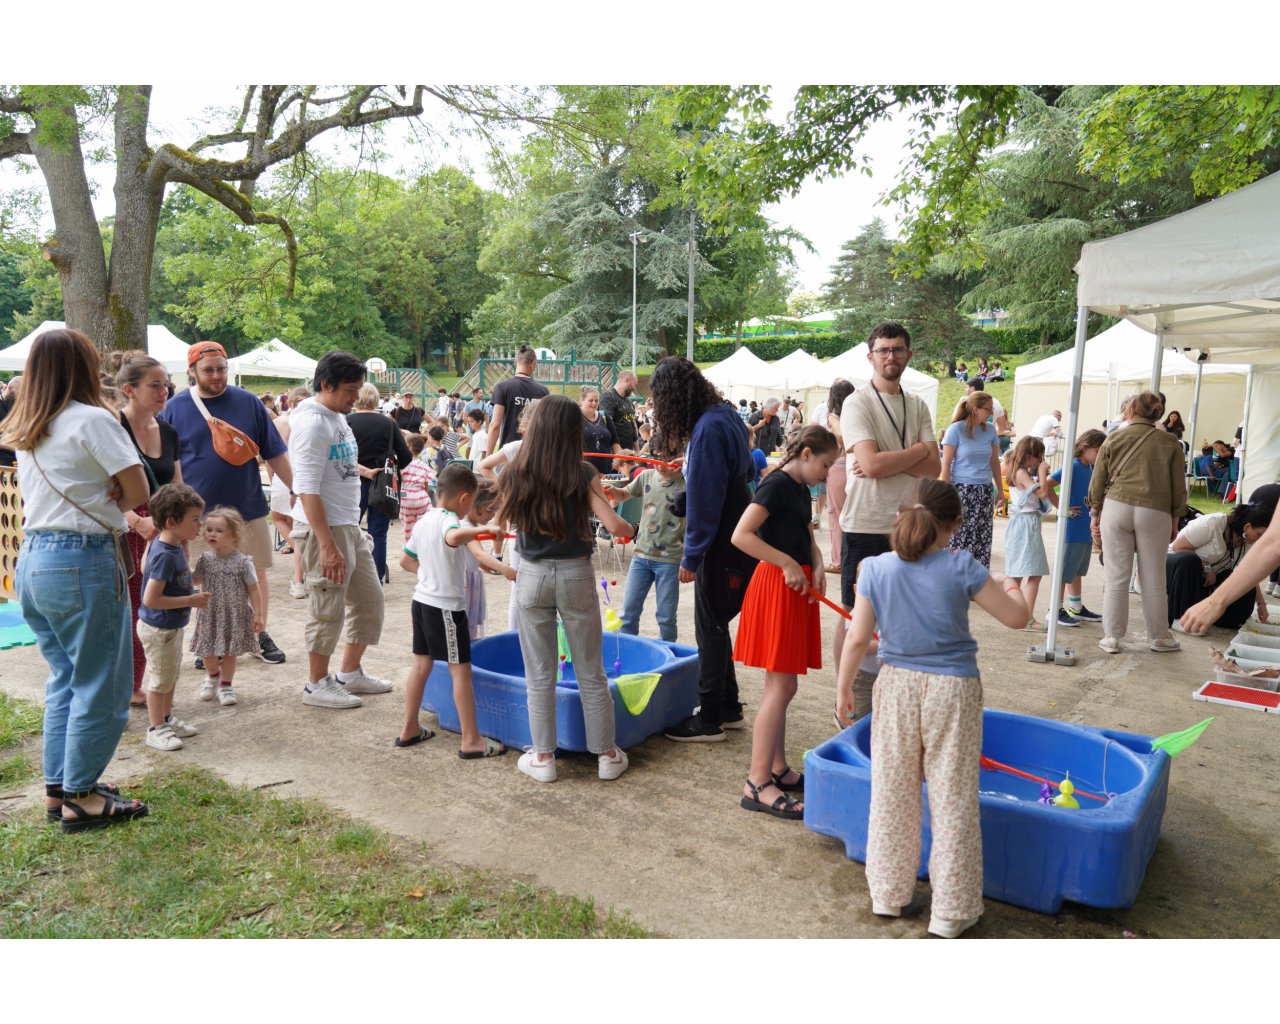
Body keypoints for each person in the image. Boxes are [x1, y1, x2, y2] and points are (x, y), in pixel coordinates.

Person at [836, 478, 1030, 938]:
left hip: (896, 688)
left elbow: (857, 639)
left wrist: (843, 688)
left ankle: (887, 894)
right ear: (955, 524)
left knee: (892, 792)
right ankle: (951, 910)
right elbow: (1017, 618)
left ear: (899, 515)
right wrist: (1013, 584)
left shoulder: (873, 568)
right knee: (953, 797)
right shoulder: (964, 567)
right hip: (953, 691)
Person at [6, 327, 150, 832]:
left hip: (33, 559)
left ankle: (60, 788)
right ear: (86, 366)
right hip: (82, 558)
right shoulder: (92, 418)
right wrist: (111, 490)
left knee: (65, 679)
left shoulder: (29, 424)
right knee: (101, 684)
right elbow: (137, 491)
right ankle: (82, 796)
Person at [495, 395, 635, 783]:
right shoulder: (583, 472)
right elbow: (614, 525)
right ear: (574, 431)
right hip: (575, 574)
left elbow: (499, 513)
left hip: (531, 575)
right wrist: (633, 527)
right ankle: (606, 756)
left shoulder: (517, 470)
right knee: (590, 670)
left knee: (539, 673)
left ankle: (543, 758)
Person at [159, 341, 291, 665]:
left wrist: (296, 489)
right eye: (209, 370)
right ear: (192, 372)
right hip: (198, 515)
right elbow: (165, 463)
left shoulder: (249, 403)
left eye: (221, 369)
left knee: (255, 573)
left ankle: (258, 634)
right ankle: (212, 640)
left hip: (247, 506)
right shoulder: (174, 408)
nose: (217, 376)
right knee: (208, 577)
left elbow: (274, 451)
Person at [731, 425, 838, 821]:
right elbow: (741, 536)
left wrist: (816, 560)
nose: (826, 474)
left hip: (794, 586)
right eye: (825, 465)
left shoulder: (799, 487)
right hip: (777, 586)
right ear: (806, 453)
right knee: (782, 686)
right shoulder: (775, 485)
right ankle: (758, 782)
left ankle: (776, 767)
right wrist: (788, 563)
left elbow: (805, 532)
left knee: (780, 686)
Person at [650, 358, 756, 742]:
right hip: (735, 533)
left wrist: (691, 556)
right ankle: (728, 707)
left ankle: (709, 718)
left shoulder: (709, 428)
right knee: (716, 624)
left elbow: (709, 498)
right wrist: (690, 473)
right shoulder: (723, 416)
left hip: (723, 543)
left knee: (709, 628)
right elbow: (733, 475)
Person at [290, 351, 392, 709]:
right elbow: (307, 488)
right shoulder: (312, 423)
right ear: (326, 385)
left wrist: (363, 473)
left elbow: (338, 465)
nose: (356, 396)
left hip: (348, 524)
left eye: (358, 388)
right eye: (350, 389)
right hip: (326, 529)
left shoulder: (337, 417)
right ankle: (316, 684)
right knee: (327, 606)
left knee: (369, 600)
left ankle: (349, 673)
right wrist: (328, 545)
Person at [838, 322, 939, 669]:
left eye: (897, 349)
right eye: (883, 350)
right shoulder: (857, 402)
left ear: (908, 355)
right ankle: (844, 689)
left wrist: (886, 460)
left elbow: (934, 467)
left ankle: (891, 680)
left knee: (903, 610)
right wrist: (917, 451)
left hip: (908, 524)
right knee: (853, 613)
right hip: (865, 522)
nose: (890, 356)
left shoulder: (917, 405)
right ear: (871, 357)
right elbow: (870, 464)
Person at [398, 463, 507, 759]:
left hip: (421, 602)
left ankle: (409, 728)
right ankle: (471, 741)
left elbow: (406, 561)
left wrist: (429, 574)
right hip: (445, 608)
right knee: (461, 672)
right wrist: (485, 529)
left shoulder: (424, 520)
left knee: (420, 666)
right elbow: (453, 538)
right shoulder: (450, 521)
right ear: (464, 498)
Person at [1087, 390, 1187, 654]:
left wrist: (1095, 512)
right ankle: (1159, 637)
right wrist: (1175, 520)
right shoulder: (1171, 443)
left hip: (1116, 507)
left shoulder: (1114, 437)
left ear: (1131, 410)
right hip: (1155, 511)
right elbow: (1179, 487)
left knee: (1116, 575)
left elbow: (1098, 479)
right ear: (1159, 413)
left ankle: (1112, 637)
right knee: (1153, 577)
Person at [116, 352, 184, 707]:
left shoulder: (168, 430)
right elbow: (103, 486)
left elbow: (177, 485)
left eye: (166, 384)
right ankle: (127, 684)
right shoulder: (113, 426)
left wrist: (180, 528)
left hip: (163, 530)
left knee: (156, 607)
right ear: (129, 389)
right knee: (130, 609)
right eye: (155, 385)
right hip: (125, 529)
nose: (164, 391)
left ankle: (143, 682)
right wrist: (135, 520)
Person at [137, 483, 209, 751]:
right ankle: (155, 728)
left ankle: (166, 719)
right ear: (171, 522)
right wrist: (190, 600)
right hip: (159, 629)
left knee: (170, 676)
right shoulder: (166, 554)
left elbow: (150, 570)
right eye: (195, 520)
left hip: (170, 627)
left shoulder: (171, 544)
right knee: (160, 681)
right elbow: (151, 599)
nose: (200, 526)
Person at [185, 505, 261, 705]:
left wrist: (259, 614)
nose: (212, 534)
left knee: (229, 651)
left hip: (233, 614)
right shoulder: (205, 560)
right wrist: (182, 565)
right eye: (209, 529)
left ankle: (226, 685)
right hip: (209, 613)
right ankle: (212, 676)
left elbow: (254, 589)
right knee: (207, 650)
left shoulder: (243, 562)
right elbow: (195, 580)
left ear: (234, 535)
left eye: (219, 530)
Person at [605, 459, 686, 643]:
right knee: (628, 612)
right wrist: (613, 491)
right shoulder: (646, 476)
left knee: (666, 617)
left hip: (670, 560)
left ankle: (667, 650)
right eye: (656, 459)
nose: (660, 466)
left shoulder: (688, 481)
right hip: (640, 556)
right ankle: (627, 649)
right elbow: (623, 494)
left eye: (667, 461)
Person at [1167, 504, 1271, 632]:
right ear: (1247, 527)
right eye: (1259, 534)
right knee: (1190, 560)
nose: (1260, 539)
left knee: (1244, 584)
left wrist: (1261, 604)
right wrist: (1206, 566)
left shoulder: (1247, 541)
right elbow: (1178, 547)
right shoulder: (1213, 523)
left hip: (1206, 578)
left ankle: (1219, 619)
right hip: (1177, 569)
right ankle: (1179, 618)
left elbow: (1251, 573)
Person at [348, 382, 412, 585]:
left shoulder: (346, 422)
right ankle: (377, 578)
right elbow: (406, 456)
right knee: (378, 533)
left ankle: (350, 574)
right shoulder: (388, 423)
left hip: (352, 483)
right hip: (383, 483)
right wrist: (390, 468)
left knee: (348, 530)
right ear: (376, 400)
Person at [1048, 429, 1108, 628]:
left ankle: (1076, 607)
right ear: (1085, 447)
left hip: (1084, 529)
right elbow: (1048, 484)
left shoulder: (1090, 467)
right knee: (1064, 570)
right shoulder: (1072, 466)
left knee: (1076, 570)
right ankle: (1054, 609)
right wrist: (1062, 508)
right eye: (1098, 451)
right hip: (1072, 529)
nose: (1099, 455)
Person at [940, 392, 1004, 567]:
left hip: (984, 490)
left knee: (982, 538)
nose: (991, 413)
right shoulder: (956, 429)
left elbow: (994, 462)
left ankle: (978, 578)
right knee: (958, 537)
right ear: (975, 409)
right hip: (961, 490)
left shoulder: (990, 430)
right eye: (988, 409)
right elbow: (946, 465)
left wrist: (1000, 490)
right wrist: (947, 495)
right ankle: (954, 576)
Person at [1001, 436, 1054, 629]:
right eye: (1038, 457)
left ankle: (1013, 615)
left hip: (1022, 523)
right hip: (1026, 524)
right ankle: (1026, 618)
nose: (1040, 460)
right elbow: (1042, 493)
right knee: (1033, 572)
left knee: (1018, 573)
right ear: (1028, 455)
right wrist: (1042, 472)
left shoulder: (1018, 471)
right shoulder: (1022, 473)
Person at [460, 478, 516, 640]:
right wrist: (505, 569)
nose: (492, 516)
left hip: (470, 581)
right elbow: (479, 553)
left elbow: (472, 554)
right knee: (466, 629)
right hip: (464, 585)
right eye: (490, 510)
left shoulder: (471, 525)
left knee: (470, 627)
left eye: (495, 510)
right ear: (474, 504)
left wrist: (480, 564)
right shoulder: (465, 527)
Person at [269, 384, 312, 600]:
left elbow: (270, 456)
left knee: (281, 520)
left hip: (284, 475)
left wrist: (273, 479)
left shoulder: (280, 423)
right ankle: (302, 559)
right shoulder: (312, 422)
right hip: (304, 477)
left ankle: (299, 579)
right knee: (296, 526)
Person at [485, 346, 549, 458]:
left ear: (516, 362)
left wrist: (488, 457)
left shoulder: (502, 387)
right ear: (533, 363)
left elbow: (495, 425)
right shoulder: (543, 391)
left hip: (507, 455)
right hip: (533, 454)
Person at [958, 379, 1013, 454]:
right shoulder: (995, 402)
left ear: (972, 388)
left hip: (968, 447)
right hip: (988, 446)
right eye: (989, 410)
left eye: (967, 387)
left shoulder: (964, 401)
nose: (992, 413)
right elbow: (1002, 428)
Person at [398, 433, 435, 534]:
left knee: (408, 529)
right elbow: (428, 483)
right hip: (422, 498)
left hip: (405, 497)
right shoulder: (423, 465)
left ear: (407, 446)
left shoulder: (402, 464)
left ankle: (408, 543)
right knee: (423, 529)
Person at [580, 385, 621, 474]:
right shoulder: (575, 417)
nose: (594, 403)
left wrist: (621, 462)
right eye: (590, 400)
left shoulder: (604, 416)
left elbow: (615, 442)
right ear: (582, 401)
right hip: (584, 470)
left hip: (607, 468)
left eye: (596, 400)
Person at [599, 370, 639, 450]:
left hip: (628, 451)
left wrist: (637, 451)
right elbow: (606, 425)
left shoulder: (629, 402)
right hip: (615, 452)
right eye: (634, 385)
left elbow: (634, 427)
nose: (634, 389)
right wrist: (617, 450)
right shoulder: (609, 397)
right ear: (626, 380)